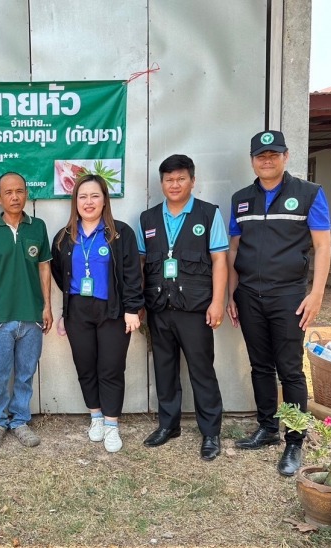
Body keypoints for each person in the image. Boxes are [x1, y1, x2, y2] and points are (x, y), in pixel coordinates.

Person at [227, 130, 331, 476]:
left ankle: (295, 441)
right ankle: (268, 429)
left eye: (274, 154)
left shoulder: (309, 193)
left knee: (289, 369)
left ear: (286, 156)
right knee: (260, 366)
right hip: (249, 295)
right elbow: (234, 251)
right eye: (261, 155)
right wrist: (231, 292)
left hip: (289, 296)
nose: (267, 160)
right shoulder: (241, 199)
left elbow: (322, 246)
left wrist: (316, 294)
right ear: (252, 160)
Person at [137, 155, 227, 461]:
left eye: (180, 179)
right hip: (159, 308)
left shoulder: (208, 214)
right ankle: (169, 425)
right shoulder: (147, 219)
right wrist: (138, 304)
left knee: (202, 371)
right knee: (164, 368)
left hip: (196, 309)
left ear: (192, 180)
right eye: (168, 180)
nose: (174, 185)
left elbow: (219, 261)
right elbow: (139, 264)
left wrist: (218, 302)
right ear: (161, 183)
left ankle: (211, 433)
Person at [51, 174, 143, 453]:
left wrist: (131, 308)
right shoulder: (65, 236)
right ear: (74, 201)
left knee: (111, 368)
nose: (88, 202)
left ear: (104, 199)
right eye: (82, 196)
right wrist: (67, 308)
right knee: (86, 366)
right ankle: (96, 417)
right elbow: (59, 273)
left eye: (94, 196)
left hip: (113, 310)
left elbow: (132, 274)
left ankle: (112, 425)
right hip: (78, 310)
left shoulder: (120, 233)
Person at [0, 172, 52, 450]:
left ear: (27, 193)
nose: (15, 196)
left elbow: (44, 267)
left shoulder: (38, 226)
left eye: (19, 191)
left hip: (31, 315)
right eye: (8, 192)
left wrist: (47, 306)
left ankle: (20, 420)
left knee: (25, 372)